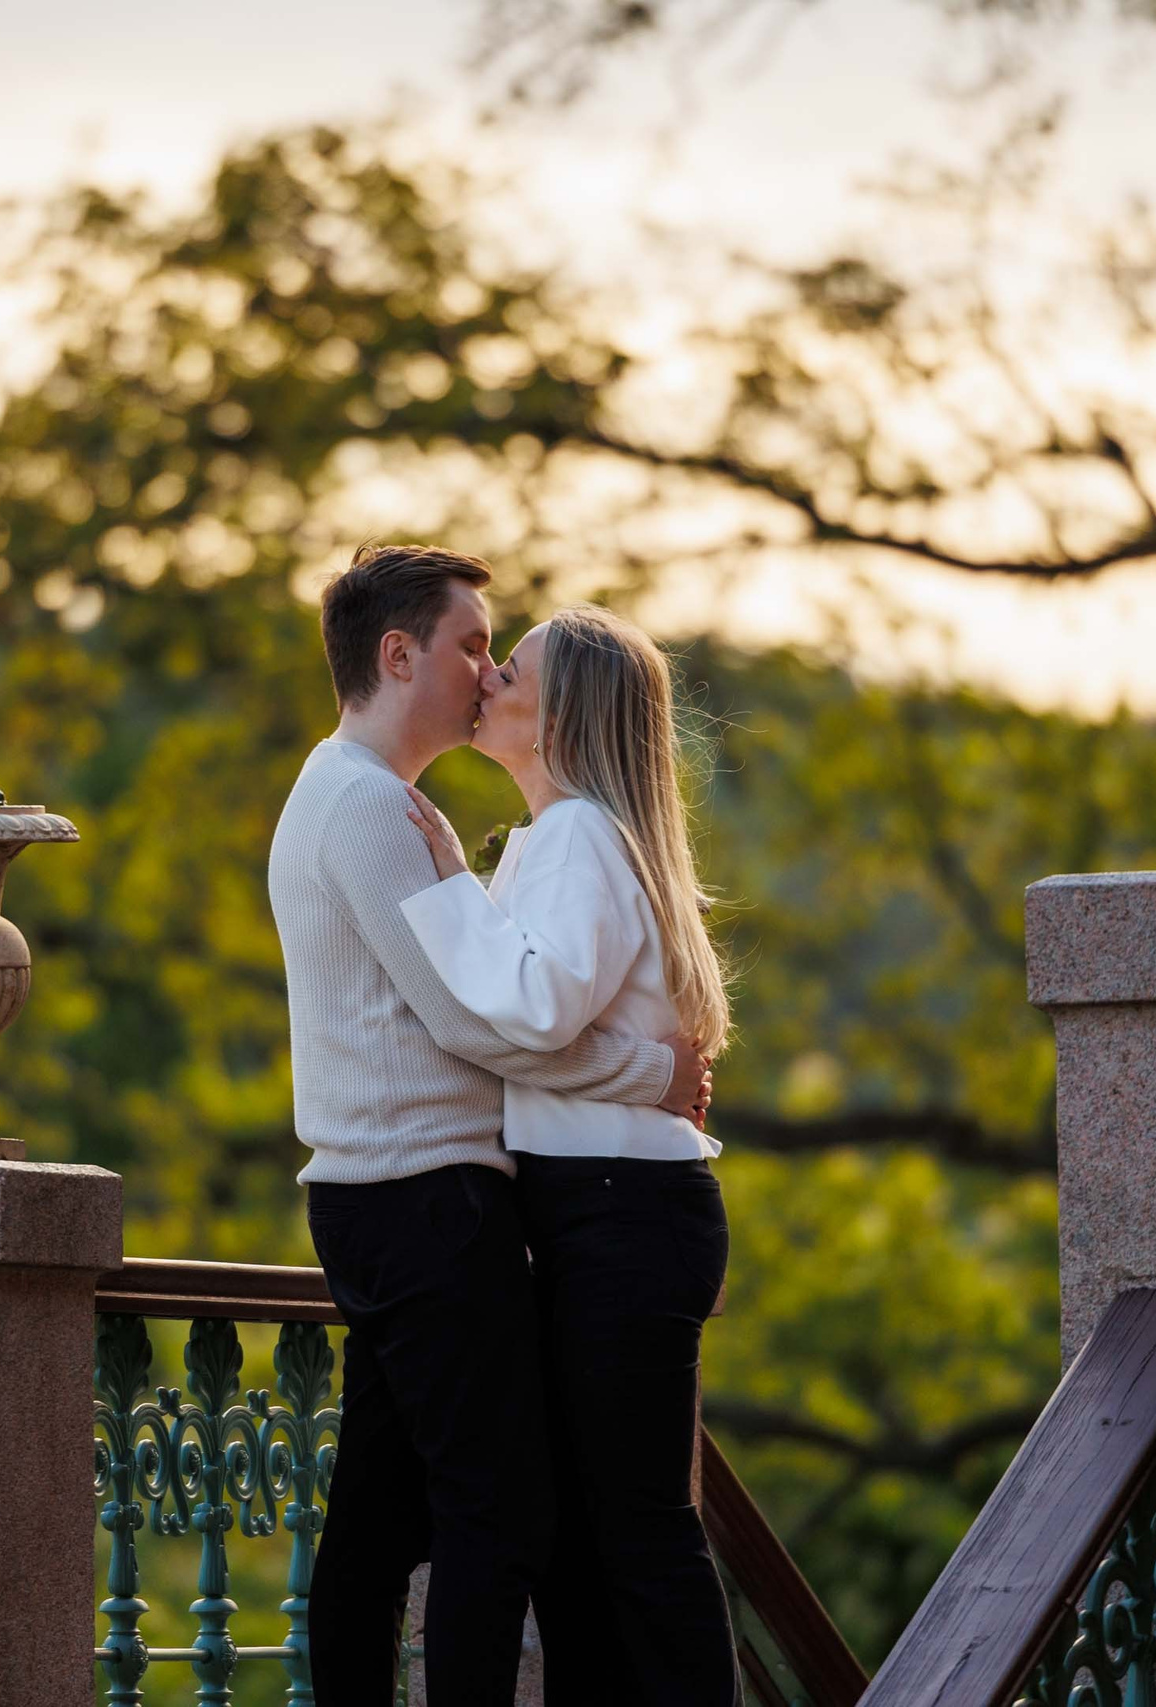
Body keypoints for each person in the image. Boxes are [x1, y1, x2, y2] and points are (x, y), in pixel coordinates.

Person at [268, 545, 712, 1707]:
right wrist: (647, 1074)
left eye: (501, 657)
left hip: (421, 1193)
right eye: (474, 647)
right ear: (397, 654)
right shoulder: (369, 807)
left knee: (387, 1506)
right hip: (422, 1198)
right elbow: (479, 1023)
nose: (483, 673)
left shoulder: (394, 806)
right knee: (500, 1513)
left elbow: (486, 1000)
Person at [398, 605, 740, 1707]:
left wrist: (440, 895)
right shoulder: (566, 838)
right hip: (602, 1207)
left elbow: (533, 1012)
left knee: (638, 1535)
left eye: (516, 669)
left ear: (567, 715)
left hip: (619, 1212)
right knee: (598, 1536)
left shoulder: (583, 834)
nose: (489, 677)